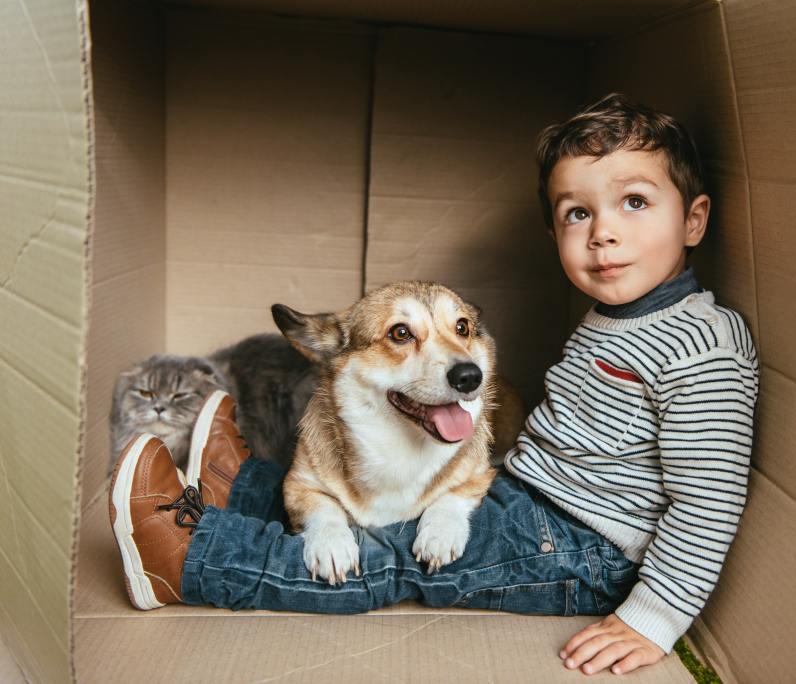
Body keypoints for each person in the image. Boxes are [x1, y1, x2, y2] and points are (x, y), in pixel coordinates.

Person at [109, 93, 759, 676]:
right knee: (385, 505)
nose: (604, 232)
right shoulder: (616, 315)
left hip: (586, 551)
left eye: (634, 203)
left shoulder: (703, 347)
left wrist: (654, 617)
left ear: (695, 221)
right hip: (526, 498)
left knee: (388, 558)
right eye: (576, 214)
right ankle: (238, 482)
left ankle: (196, 564)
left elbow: (709, 503)